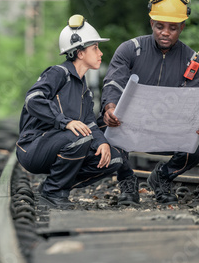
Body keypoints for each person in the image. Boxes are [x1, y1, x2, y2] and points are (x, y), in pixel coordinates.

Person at [100, 0, 199, 205]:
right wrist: (110, 108)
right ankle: (126, 180)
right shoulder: (129, 50)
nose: (165, 32)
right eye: (159, 26)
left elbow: (198, 103)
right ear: (152, 23)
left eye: (172, 27)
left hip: (169, 130)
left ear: (182, 27)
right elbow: (113, 82)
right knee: (106, 130)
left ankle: (162, 177)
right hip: (130, 128)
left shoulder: (194, 61)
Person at [16, 15, 124, 209]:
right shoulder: (58, 73)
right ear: (80, 53)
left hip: (62, 143)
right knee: (78, 136)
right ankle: (53, 193)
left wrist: (103, 143)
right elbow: (33, 99)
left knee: (115, 159)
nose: (100, 53)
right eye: (95, 48)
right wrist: (64, 121)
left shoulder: (84, 90)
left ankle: (52, 189)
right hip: (33, 147)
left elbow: (90, 123)